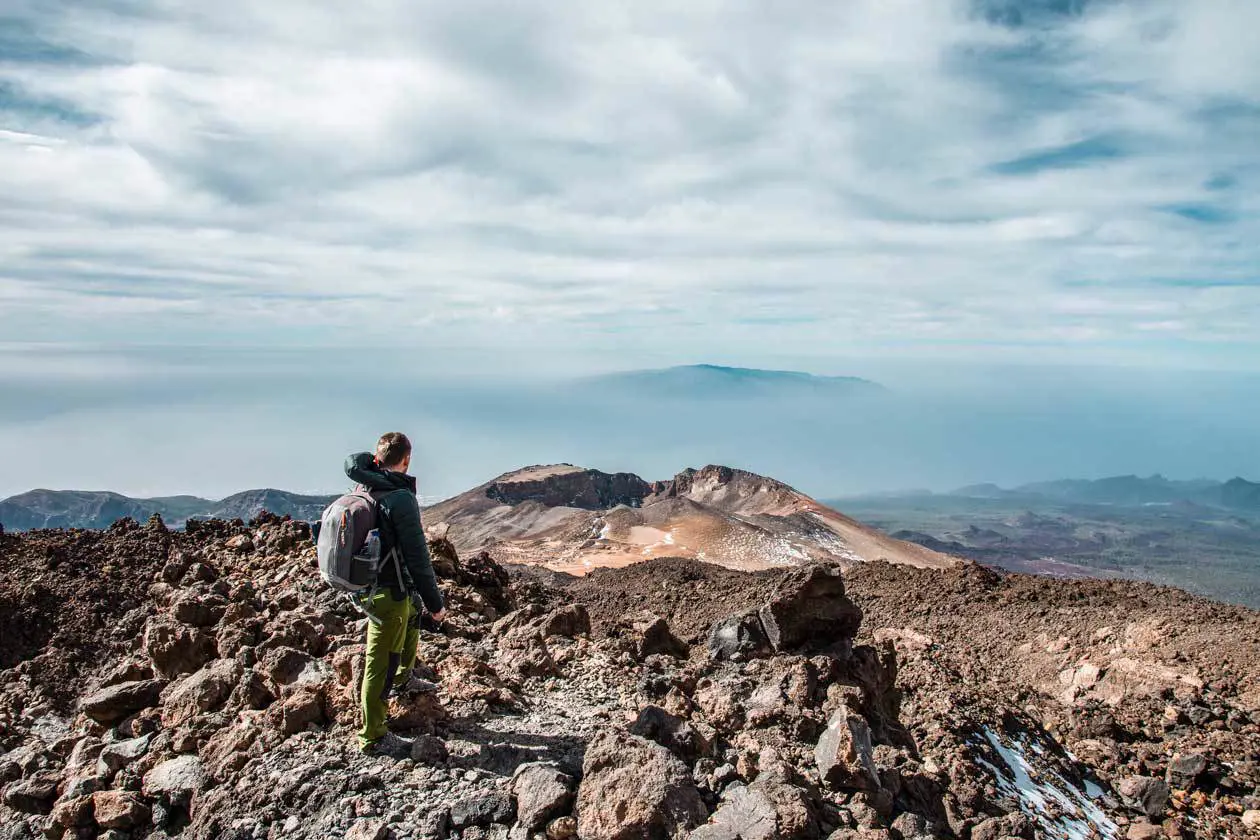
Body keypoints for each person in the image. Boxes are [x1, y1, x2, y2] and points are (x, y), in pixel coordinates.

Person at [344, 432, 446, 756]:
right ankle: (373, 736)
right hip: (387, 592)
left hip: (377, 587)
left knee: (412, 613)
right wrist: (437, 605)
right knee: (380, 661)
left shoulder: (365, 487)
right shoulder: (400, 498)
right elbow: (418, 557)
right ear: (407, 460)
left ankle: (404, 679)